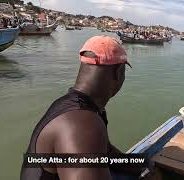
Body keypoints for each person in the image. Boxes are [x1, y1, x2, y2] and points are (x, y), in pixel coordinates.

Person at [20, 36, 144, 180]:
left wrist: (141, 164)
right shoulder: (82, 124)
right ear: (118, 73)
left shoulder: (74, 107)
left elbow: (107, 153)